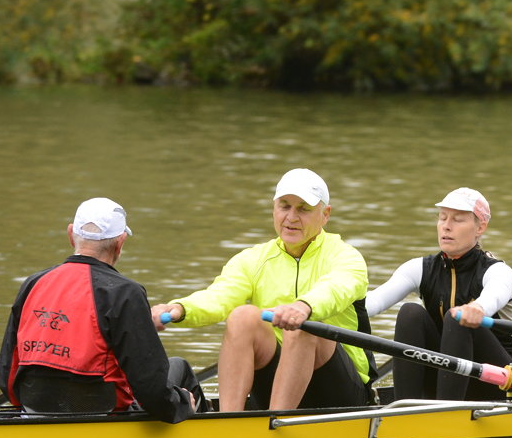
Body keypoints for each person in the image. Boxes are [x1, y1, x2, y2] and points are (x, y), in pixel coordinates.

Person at [153, 169, 374, 411]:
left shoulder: (345, 256)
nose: (291, 217)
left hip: (340, 392)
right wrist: (178, 308)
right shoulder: (253, 259)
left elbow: (335, 289)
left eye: (303, 209)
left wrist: (303, 307)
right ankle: (230, 424)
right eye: (284, 206)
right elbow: (218, 297)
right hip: (277, 378)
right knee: (242, 317)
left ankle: (273, 425)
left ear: (325, 215)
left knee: (303, 325)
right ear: (274, 209)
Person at [0, 197, 202, 422]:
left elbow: (7, 374)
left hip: (35, 407)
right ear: (120, 242)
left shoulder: (33, 283)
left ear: (70, 234)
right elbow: (151, 388)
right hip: (104, 411)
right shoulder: (125, 292)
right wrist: (181, 403)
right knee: (179, 368)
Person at [365, 187, 512, 401]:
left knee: (457, 317)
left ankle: (445, 413)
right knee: (409, 312)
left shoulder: (496, 271)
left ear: (480, 227)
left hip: (503, 381)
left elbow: (493, 296)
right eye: (442, 218)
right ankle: (404, 410)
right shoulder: (419, 268)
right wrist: (316, 308)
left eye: (458, 220)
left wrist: (477, 309)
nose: (446, 226)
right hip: (447, 378)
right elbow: (373, 302)